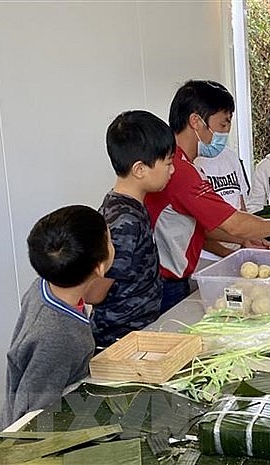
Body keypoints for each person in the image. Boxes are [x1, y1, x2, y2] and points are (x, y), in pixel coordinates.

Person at [145, 80, 270, 312]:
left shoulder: (182, 164)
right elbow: (235, 223)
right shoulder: (179, 169)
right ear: (195, 121)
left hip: (171, 279)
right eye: (223, 123)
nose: (225, 132)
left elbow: (206, 227)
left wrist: (242, 242)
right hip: (164, 283)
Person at [1, 205, 115, 428]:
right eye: (110, 240)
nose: (113, 244)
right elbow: (32, 416)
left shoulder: (48, 283)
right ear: (100, 268)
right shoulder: (58, 336)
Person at [85, 110, 175, 348]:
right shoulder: (125, 222)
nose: (172, 170)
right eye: (167, 163)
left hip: (140, 332)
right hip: (120, 340)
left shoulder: (124, 206)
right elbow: (94, 293)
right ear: (140, 169)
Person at [195, 146, 249, 260]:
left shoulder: (231, 156)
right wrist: (228, 253)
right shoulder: (194, 162)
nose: (224, 132)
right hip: (206, 257)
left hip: (237, 250)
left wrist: (245, 242)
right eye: (222, 126)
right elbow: (198, 229)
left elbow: (241, 204)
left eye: (228, 127)